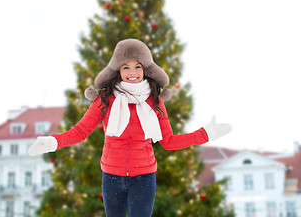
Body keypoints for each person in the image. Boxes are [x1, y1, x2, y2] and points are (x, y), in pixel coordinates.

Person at [28, 39, 232, 217]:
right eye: (126, 67)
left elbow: (168, 141)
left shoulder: (155, 101)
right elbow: (81, 132)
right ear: (117, 70)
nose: (132, 72)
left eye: (138, 66)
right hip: (111, 176)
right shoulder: (105, 100)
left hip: (144, 178)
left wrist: (206, 133)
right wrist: (53, 141)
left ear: (146, 69)